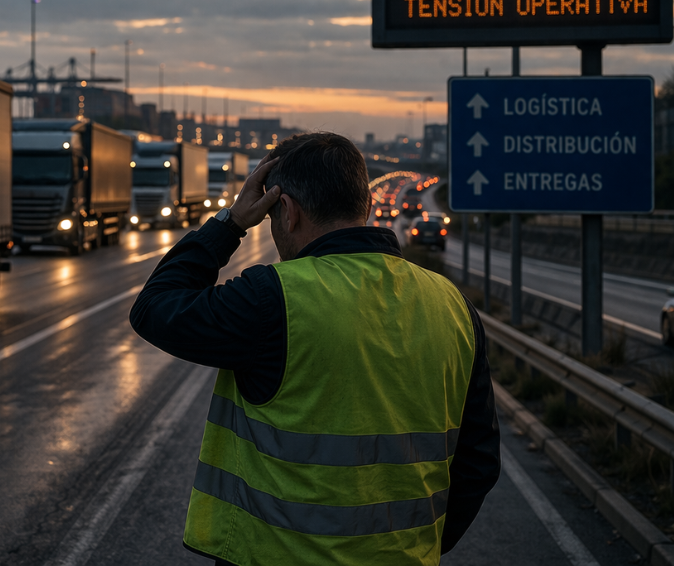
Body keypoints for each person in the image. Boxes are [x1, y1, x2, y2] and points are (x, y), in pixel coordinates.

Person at [129, 132, 500, 565]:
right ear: (364, 205)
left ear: (285, 211)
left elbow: (155, 307)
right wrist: (422, 542)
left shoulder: (272, 299)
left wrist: (230, 223)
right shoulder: (452, 306)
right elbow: (478, 462)